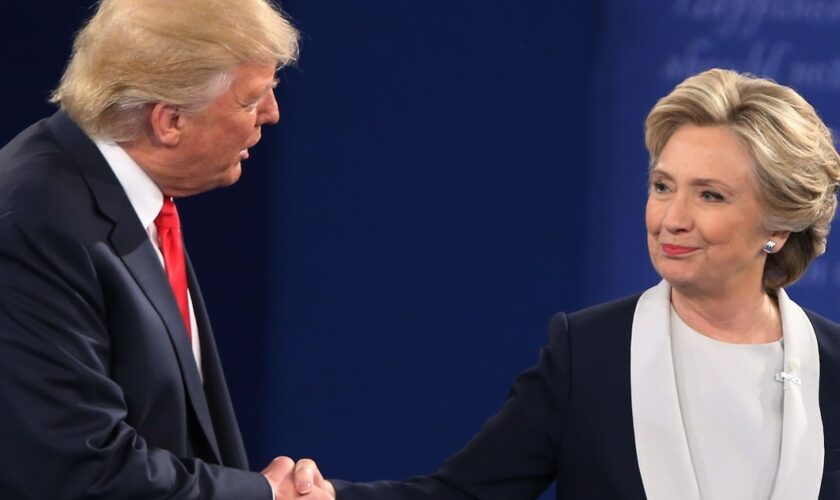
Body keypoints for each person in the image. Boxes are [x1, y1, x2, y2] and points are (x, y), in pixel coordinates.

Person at [321, 68, 840, 499]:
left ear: (777, 225)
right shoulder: (588, 353)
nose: (671, 218)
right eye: (662, 187)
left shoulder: (833, 368)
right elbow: (462, 495)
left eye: (709, 196)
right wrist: (312, 496)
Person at [0, 0, 333, 498]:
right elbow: (74, 469)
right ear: (169, 121)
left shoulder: (117, 193)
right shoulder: (35, 225)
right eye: (252, 99)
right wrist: (263, 495)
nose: (272, 114)